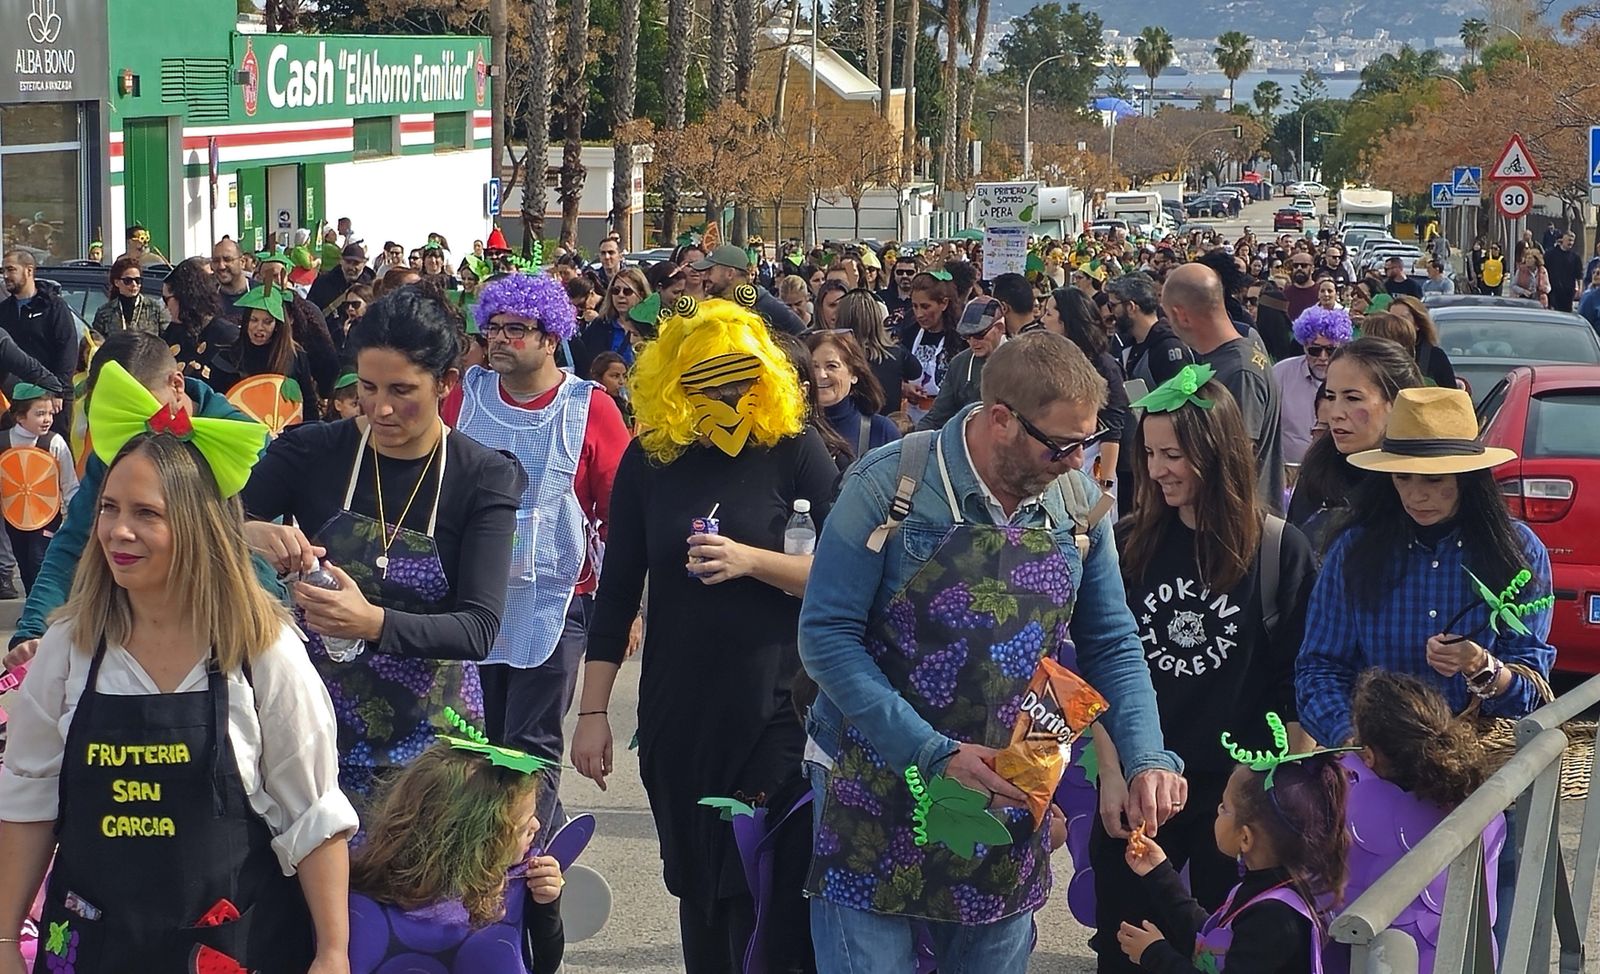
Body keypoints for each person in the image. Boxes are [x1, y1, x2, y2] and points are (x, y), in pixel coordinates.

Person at [798, 332, 1184, 972]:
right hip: (874, 781)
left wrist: (1146, 755)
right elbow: (827, 636)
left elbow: (1113, 642)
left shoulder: (1078, 504)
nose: (1076, 460)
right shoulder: (891, 483)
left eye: (1087, 441)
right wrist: (932, 752)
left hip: (1011, 791)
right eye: (1060, 444)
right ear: (1001, 418)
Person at [0, 363, 357, 972]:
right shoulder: (70, 646)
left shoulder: (260, 649)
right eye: (109, 508)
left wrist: (332, 952)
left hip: (232, 949)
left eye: (147, 513)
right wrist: (6, 941)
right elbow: (28, 798)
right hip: (92, 949)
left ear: (198, 527)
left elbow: (313, 814)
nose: (118, 531)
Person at [572, 296, 835, 973]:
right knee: (699, 891)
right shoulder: (650, 459)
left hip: (780, 707)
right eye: (706, 383)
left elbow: (846, 576)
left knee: (760, 884)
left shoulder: (794, 450)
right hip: (680, 714)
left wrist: (751, 561)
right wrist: (593, 714)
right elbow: (616, 593)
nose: (724, 397)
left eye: (738, 381)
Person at [239, 282, 524, 798]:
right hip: (316, 731)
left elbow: (478, 627)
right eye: (368, 388)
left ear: (445, 383)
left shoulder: (482, 477)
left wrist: (372, 622)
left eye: (401, 391)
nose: (381, 409)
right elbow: (206, 522)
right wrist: (248, 531)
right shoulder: (313, 452)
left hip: (435, 751)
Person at [1092, 367, 1315, 973]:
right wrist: (1111, 773)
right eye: (1150, 453)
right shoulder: (1127, 542)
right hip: (1141, 781)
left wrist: (1277, 799)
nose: (1158, 470)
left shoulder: (1278, 548)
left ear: (1217, 454)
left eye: (1174, 455)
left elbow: (1295, 685)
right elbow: (1100, 669)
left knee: (1222, 952)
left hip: (1235, 793)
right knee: (1126, 949)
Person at [441, 271, 629, 850]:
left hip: (555, 599)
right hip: (470, 597)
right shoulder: (464, 397)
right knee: (474, 743)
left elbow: (620, 515)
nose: (499, 339)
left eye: (516, 329)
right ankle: (512, 851)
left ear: (551, 338)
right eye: (493, 328)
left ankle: (524, 869)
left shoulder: (589, 408)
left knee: (529, 747)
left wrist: (624, 609)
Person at [1296, 386, 1555, 749]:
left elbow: (1531, 693)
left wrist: (1480, 666)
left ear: (1468, 479)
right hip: (1377, 758)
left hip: (1481, 759)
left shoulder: (1519, 552)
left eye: (1434, 480)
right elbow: (1320, 669)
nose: (1416, 496)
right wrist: (1355, 740)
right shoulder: (1352, 550)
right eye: (1402, 478)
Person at [1117, 731, 1350, 974]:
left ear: (1246, 838)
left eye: (1225, 808)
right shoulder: (1266, 889)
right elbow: (1211, 943)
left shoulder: (1277, 918)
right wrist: (1158, 871)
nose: (1218, 810)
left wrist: (1155, 954)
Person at [349, 741, 566, 974]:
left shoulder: (521, 878)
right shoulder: (367, 889)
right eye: (523, 826)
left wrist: (546, 906)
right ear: (478, 839)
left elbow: (544, 963)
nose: (537, 825)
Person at [1161, 264, 1284, 514]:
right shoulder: (1221, 360)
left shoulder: (1240, 371)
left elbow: (1238, 459)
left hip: (1238, 521)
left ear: (1181, 315)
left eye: (1168, 317)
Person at [1286, 337, 1422, 556]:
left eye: (1352, 398)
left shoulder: (1425, 476)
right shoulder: (1318, 470)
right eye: (1331, 397)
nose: (1335, 413)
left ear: (1396, 402)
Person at [1, 384, 79, 594]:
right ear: (20, 416)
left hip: (47, 517)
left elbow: (69, 484)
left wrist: (76, 517)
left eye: (50, 413)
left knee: (39, 559)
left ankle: (45, 607)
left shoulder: (54, 442)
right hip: (14, 518)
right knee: (25, 565)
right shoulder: (3, 443)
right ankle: (32, 604)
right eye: (40, 414)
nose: (47, 419)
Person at [1049, 287, 1128, 493]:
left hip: (1093, 464)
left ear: (1066, 322)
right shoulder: (1050, 361)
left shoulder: (1105, 366)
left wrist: (1105, 484)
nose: (1042, 320)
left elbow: (1112, 427)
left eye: (1048, 314)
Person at [0, 251, 78, 432]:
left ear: (29, 270)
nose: (6, 276)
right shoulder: (3, 311)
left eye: (11, 269)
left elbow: (67, 350)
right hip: (15, 398)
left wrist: (59, 391)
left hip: (50, 398)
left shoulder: (54, 306)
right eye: (3, 271)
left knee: (52, 445)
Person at [225, 284, 322, 422]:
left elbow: (309, 403)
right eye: (253, 320)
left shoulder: (295, 355)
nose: (259, 327)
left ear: (277, 325)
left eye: (267, 322)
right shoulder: (229, 355)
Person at [1273, 305, 1353, 466]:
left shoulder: (1352, 377)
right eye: (1315, 350)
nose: (1323, 357)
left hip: (1336, 468)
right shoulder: (1281, 373)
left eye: (1330, 350)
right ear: (1304, 346)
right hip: (1288, 468)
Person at [807, 330, 900, 462]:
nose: (821, 375)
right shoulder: (794, 429)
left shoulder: (881, 430)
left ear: (854, 374)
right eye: (813, 367)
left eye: (831, 366)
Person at [916, 297, 1006, 431]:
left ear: (999, 328)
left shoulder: (1020, 362)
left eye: (979, 335)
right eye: (967, 336)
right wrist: (914, 437)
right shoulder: (959, 364)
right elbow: (937, 417)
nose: (973, 342)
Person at [834, 290, 921, 416]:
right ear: (878, 319)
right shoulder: (895, 352)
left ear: (840, 320)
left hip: (849, 423)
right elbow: (916, 371)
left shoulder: (834, 358)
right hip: (889, 424)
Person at [161, 257, 241, 393]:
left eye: (166, 299)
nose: (165, 306)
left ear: (184, 297)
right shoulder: (171, 333)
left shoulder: (227, 336)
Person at [692, 245, 805, 335]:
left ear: (730, 273)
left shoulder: (764, 305)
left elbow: (802, 335)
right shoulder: (716, 305)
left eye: (710, 271)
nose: (704, 277)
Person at [899, 270, 963, 422]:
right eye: (915, 306)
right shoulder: (908, 334)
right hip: (911, 416)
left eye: (925, 306)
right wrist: (903, 387)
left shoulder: (961, 340)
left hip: (947, 419)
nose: (919, 314)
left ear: (944, 303)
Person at [1367, 296, 1456, 390]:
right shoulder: (1378, 354)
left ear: (1417, 324)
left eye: (1403, 318)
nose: (1397, 323)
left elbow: (1451, 393)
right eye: (1392, 318)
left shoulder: (1435, 356)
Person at [578, 267, 650, 370]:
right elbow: (584, 364)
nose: (620, 295)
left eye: (627, 291)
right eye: (616, 290)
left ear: (641, 294)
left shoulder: (651, 328)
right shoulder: (599, 325)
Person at [91, 257, 169, 335]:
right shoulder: (105, 312)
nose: (134, 284)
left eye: (137, 280)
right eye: (128, 281)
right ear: (116, 282)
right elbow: (96, 339)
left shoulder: (156, 309)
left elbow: (168, 338)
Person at [308, 244, 377, 332]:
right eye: (348, 262)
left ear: (364, 264)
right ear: (341, 261)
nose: (351, 267)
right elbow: (309, 310)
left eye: (356, 263)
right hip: (326, 334)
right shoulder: (323, 282)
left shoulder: (372, 287)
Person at [1544, 230, 1583, 313]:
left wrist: (1579, 289)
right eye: (1569, 240)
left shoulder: (1575, 257)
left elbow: (1579, 275)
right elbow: (1543, 270)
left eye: (1572, 241)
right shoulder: (1550, 254)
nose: (1570, 243)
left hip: (1568, 292)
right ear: (1562, 240)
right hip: (1552, 290)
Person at [212, 238, 252, 316]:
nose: (221, 266)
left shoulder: (260, 293)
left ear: (242, 262)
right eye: (216, 261)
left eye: (227, 260)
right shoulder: (207, 298)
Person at [1282, 252, 1320, 320]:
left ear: (1312, 269)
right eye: (1295, 266)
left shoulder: (1321, 291)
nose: (1299, 268)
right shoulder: (1285, 293)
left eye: (1303, 265)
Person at [1580, 265, 1600, 335]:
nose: (1595, 275)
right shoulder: (1590, 297)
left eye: (1598, 273)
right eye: (1594, 272)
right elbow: (1584, 323)